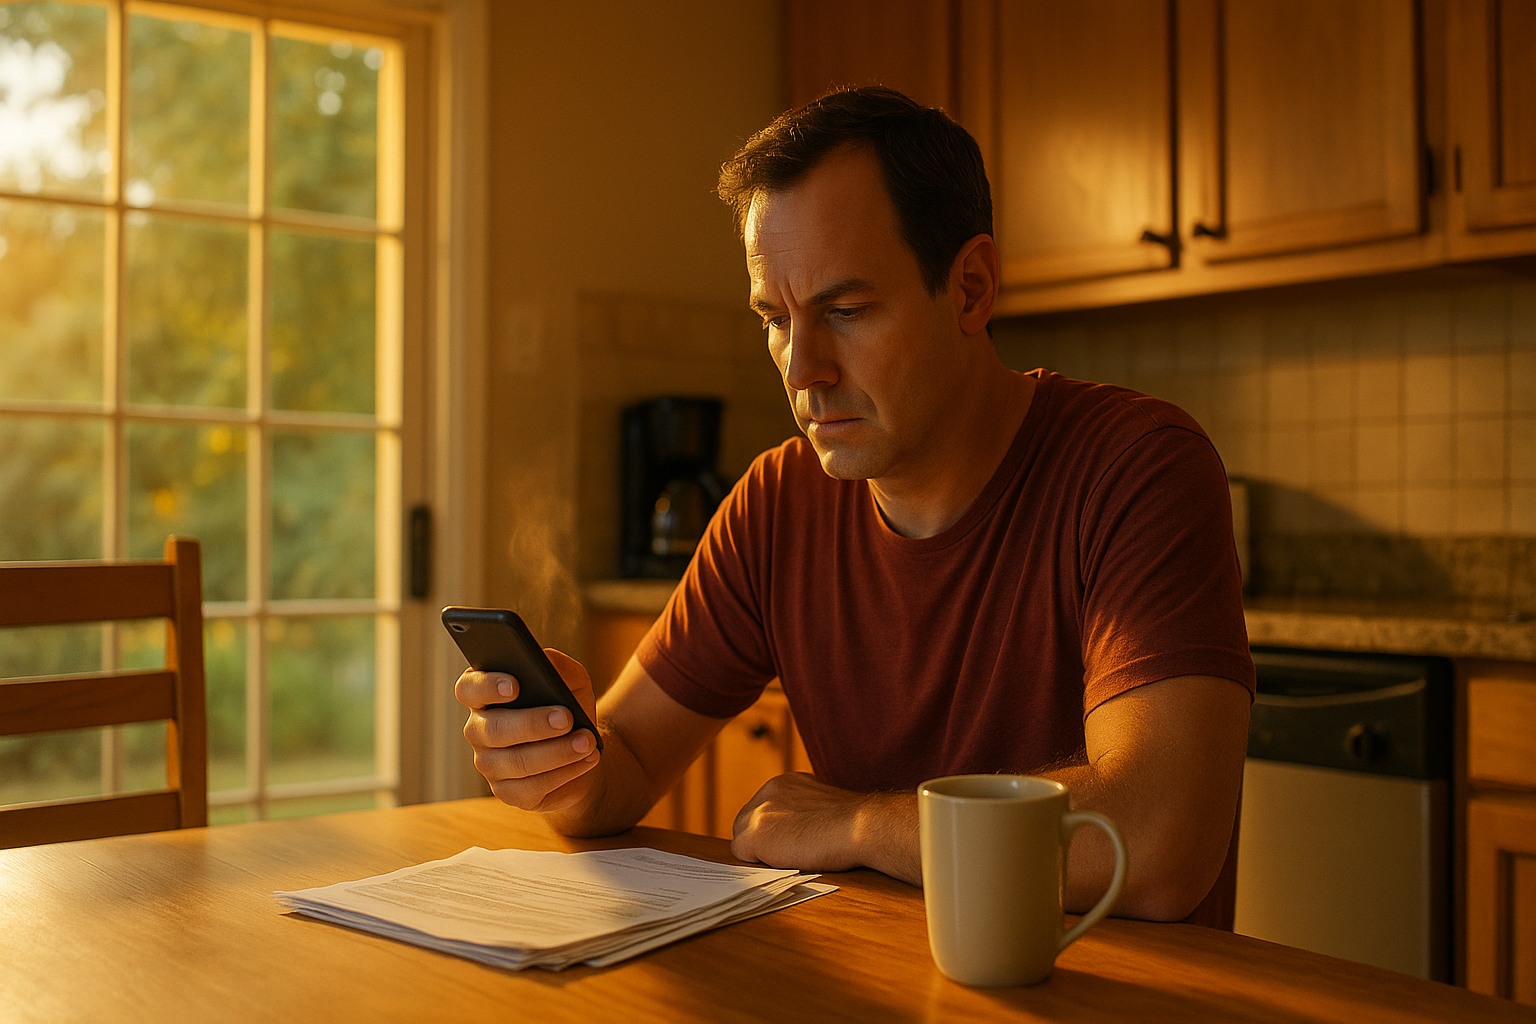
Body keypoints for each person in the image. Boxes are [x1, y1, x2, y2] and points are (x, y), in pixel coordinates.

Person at [457, 87, 1254, 922]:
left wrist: (865, 822)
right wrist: (559, 765)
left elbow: (1161, 841)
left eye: (845, 310)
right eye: (775, 318)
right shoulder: (776, 503)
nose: (802, 369)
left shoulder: (1136, 468)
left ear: (972, 290)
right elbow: (620, 769)